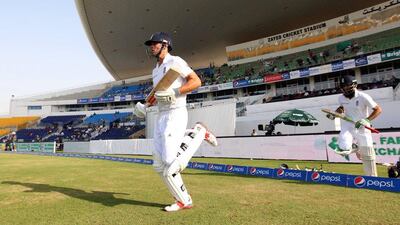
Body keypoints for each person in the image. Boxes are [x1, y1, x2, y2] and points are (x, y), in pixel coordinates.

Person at [137, 32, 218, 212]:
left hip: (176, 112)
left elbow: (196, 81)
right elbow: (158, 94)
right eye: (150, 44)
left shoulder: (176, 61)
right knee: (159, 164)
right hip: (161, 115)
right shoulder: (155, 70)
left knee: (169, 160)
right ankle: (183, 200)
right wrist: (145, 106)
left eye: (155, 44)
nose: (152, 47)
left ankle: (198, 133)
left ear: (165, 44)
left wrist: (176, 92)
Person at [327, 75, 382, 176]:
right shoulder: (341, 98)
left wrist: (366, 120)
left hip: (362, 126)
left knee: (368, 155)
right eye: (344, 87)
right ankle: (355, 147)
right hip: (348, 124)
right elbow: (343, 108)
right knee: (343, 148)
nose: (346, 89)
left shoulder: (363, 96)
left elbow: (378, 109)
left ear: (354, 85)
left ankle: (372, 178)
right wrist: (335, 113)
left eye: (348, 86)